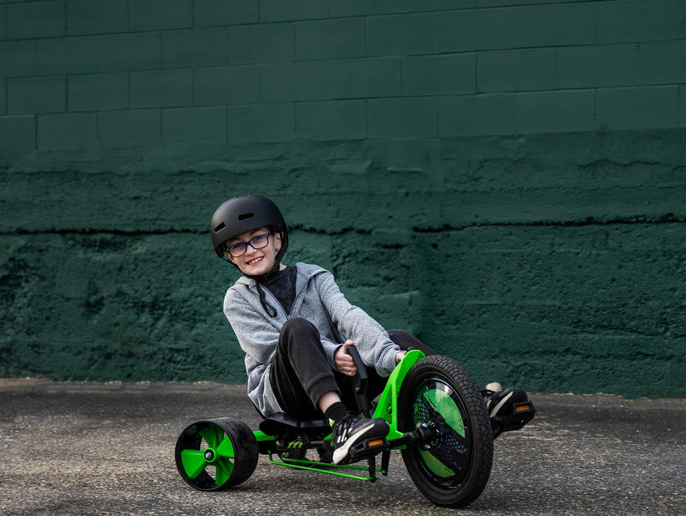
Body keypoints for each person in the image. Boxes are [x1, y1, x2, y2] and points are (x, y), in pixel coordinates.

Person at [210, 194, 522, 465]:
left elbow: (348, 315)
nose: (249, 250)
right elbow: (270, 348)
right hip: (285, 394)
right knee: (295, 329)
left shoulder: (315, 277)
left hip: (335, 378)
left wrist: (389, 353)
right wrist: (334, 356)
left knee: (398, 337)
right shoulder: (237, 299)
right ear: (228, 256)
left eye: (257, 238)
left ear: (277, 239)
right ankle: (343, 425)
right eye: (237, 246)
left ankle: (472, 404)